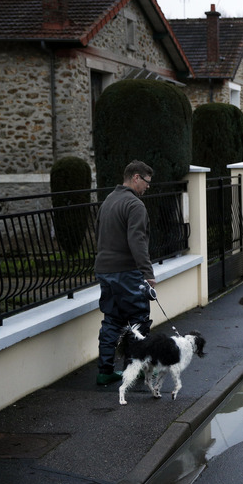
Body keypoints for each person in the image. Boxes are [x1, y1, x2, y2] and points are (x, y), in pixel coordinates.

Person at [94, 160, 157, 386]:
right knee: (138, 320)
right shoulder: (135, 205)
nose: (148, 187)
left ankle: (105, 371)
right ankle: (137, 371)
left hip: (104, 270)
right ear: (136, 178)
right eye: (147, 182)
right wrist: (147, 273)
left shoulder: (108, 201)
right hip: (127, 272)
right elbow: (137, 240)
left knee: (111, 320)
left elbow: (98, 234)